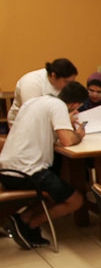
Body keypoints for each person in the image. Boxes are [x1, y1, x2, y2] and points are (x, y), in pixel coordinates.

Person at [0, 83, 88, 249]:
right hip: (26, 171)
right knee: (76, 200)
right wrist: (79, 135)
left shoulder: (34, 102)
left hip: (7, 168)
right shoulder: (59, 106)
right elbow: (67, 140)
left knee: (54, 191)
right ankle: (30, 225)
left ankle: (23, 218)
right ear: (75, 105)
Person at [6, 58, 78, 125]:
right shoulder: (31, 83)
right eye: (66, 82)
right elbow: (33, 115)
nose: (69, 85)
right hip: (24, 123)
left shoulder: (61, 83)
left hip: (47, 121)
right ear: (53, 76)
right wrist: (63, 119)